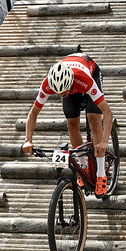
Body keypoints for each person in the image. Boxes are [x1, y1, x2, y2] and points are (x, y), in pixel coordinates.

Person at [21, 53, 114, 197]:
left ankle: (101, 174)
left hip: (88, 73)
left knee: (95, 121)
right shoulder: (48, 84)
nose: (62, 94)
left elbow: (107, 112)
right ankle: (84, 167)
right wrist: (28, 140)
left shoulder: (84, 79)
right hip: (71, 83)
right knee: (71, 124)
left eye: (64, 91)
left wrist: (104, 141)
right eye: (59, 93)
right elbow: (33, 113)